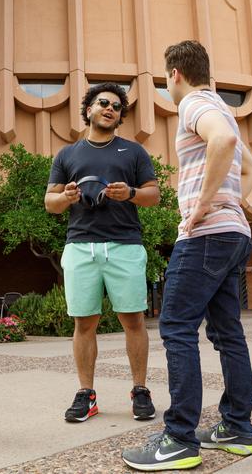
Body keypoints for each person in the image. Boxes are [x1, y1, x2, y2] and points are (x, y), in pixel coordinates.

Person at [122, 41, 252, 471]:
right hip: (233, 233)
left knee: (177, 326)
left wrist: (203, 205)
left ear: (176, 74)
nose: (168, 85)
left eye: (166, 79)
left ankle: (179, 438)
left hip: (206, 235)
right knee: (227, 333)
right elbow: (251, 168)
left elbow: (222, 140)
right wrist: (229, 204)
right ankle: (236, 428)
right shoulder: (221, 105)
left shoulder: (194, 104)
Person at [45, 82, 161, 423]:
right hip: (81, 246)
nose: (110, 108)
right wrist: (65, 197)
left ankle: (140, 390)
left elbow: (153, 195)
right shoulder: (67, 155)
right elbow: (50, 204)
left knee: (134, 320)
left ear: (119, 116)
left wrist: (131, 193)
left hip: (125, 245)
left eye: (116, 106)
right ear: (89, 110)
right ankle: (86, 394)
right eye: (103, 103)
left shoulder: (134, 152)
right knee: (84, 323)